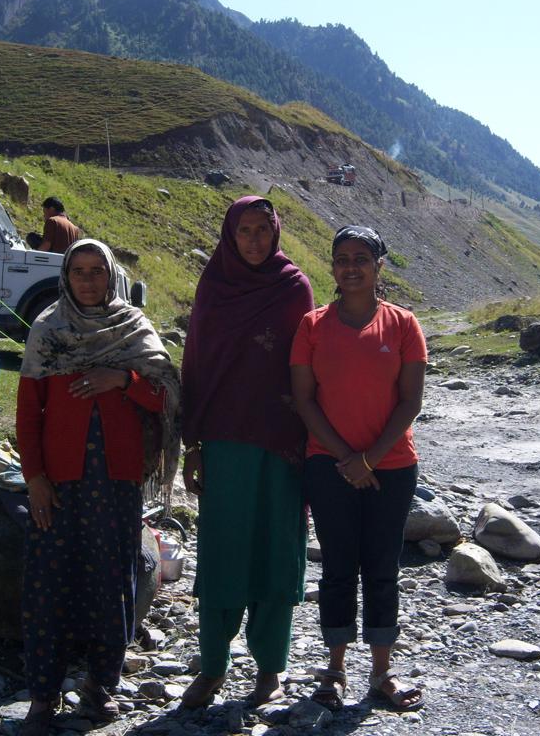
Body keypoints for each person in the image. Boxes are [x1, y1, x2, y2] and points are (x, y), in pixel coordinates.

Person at [15, 238, 180, 734]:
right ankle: (42, 697)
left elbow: (165, 397)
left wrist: (123, 380)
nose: (88, 280)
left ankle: (99, 689)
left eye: (97, 271)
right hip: (59, 483)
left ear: (112, 275)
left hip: (118, 479)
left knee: (112, 581)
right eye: (79, 271)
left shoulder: (134, 330)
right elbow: (28, 413)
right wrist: (35, 479)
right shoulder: (47, 331)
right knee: (49, 584)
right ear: (66, 277)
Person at [180, 196, 315, 707]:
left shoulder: (292, 287)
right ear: (229, 235)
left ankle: (270, 668)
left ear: (276, 232)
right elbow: (196, 362)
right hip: (224, 440)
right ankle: (213, 666)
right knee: (222, 551)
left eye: (263, 229)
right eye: (245, 231)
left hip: (283, 442)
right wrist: (193, 444)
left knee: (277, 551)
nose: (254, 240)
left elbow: (307, 366)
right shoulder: (215, 285)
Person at [290, 225, 426, 712]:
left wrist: (368, 459)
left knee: (383, 568)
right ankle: (334, 668)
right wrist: (349, 459)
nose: (351, 267)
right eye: (342, 258)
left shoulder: (403, 324)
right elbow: (305, 401)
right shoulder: (312, 326)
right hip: (328, 466)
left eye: (361, 258)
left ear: (378, 266)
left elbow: (410, 401)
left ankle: (382, 671)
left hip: (392, 466)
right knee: (338, 567)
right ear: (332, 267)